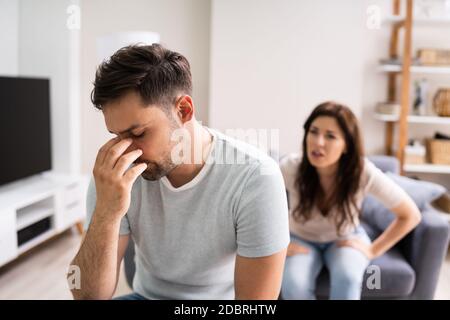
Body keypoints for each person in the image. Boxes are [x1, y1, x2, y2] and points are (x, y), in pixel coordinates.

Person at [69, 44, 289, 300]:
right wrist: (106, 213)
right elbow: (87, 297)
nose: (126, 151)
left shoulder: (255, 178)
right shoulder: (114, 175)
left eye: (138, 133)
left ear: (183, 110)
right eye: (117, 136)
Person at [280, 101, 421, 300]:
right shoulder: (290, 167)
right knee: (294, 284)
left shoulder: (362, 173)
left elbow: (410, 215)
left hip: (344, 238)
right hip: (299, 238)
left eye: (330, 136)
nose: (318, 142)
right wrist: (279, 244)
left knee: (348, 277)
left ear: (346, 144)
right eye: (314, 131)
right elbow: (256, 206)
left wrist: (373, 250)